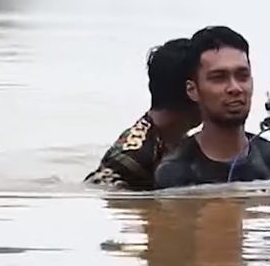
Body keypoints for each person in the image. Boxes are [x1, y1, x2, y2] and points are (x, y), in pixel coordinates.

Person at [154, 26, 270, 189]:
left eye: (242, 76)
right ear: (192, 90)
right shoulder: (176, 171)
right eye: (219, 78)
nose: (235, 88)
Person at [84, 38, 201, 190]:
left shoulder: (170, 138)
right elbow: (101, 194)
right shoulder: (132, 160)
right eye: (214, 79)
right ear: (190, 91)